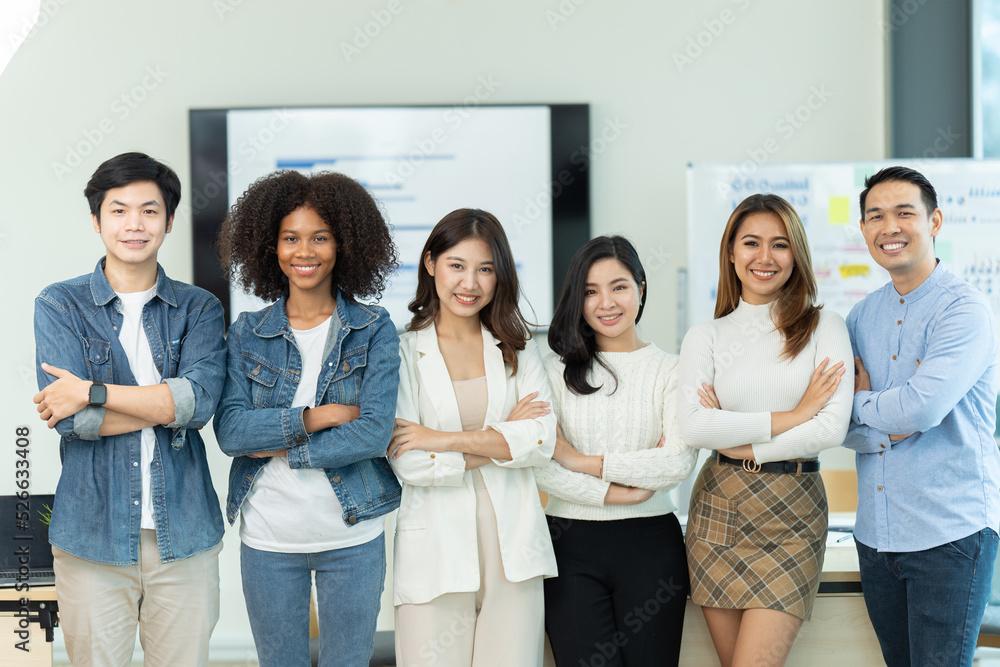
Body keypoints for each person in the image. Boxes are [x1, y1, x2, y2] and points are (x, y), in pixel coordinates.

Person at [32, 152, 226, 666]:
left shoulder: (199, 308)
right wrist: (165, 404)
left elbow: (199, 403)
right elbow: (72, 422)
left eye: (149, 210)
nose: (134, 224)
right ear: (96, 221)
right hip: (91, 536)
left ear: (168, 220)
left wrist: (95, 391)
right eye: (118, 210)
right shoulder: (59, 305)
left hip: (184, 534)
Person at [214, 170, 401, 667]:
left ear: (343, 245)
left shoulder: (373, 328)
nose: (305, 251)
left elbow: (374, 432)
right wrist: (316, 417)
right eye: (290, 238)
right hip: (269, 538)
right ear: (270, 247)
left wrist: (279, 445)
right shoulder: (248, 333)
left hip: (352, 535)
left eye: (320, 237)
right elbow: (231, 432)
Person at [678, 193, 853, 667]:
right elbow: (693, 427)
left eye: (780, 244)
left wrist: (735, 441)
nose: (765, 257)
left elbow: (832, 428)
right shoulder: (705, 337)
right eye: (751, 243)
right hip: (719, 509)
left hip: (794, 513)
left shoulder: (824, 326)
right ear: (731, 253)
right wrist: (795, 415)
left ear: (796, 255)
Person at [388, 208, 558, 667]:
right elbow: (409, 462)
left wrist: (442, 439)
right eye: (457, 266)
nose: (470, 283)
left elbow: (541, 442)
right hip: (435, 552)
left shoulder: (517, 348)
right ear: (430, 264)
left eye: (485, 269)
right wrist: (503, 441)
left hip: (513, 554)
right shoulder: (402, 351)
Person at [846, 166, 1000, 667]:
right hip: (876, 535)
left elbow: (923, 408)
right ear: (865, 230)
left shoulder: (964, 310)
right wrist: (886, 420)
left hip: (948, 533)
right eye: (875, 216)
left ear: (934, 221)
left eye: (904, 213)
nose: (889, 227)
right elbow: (838, 424)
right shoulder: (861, 316)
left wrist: (865, 403)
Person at [534, 235, 697, 667]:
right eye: (590, 291)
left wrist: (580, 461)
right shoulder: (549, 370)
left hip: (650, 547)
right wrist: (614, 493)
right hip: (566, 545)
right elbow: (537, 464)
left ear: (641, 289)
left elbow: (676, 462)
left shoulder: (673, 369)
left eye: (619, 286)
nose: (606, 302)